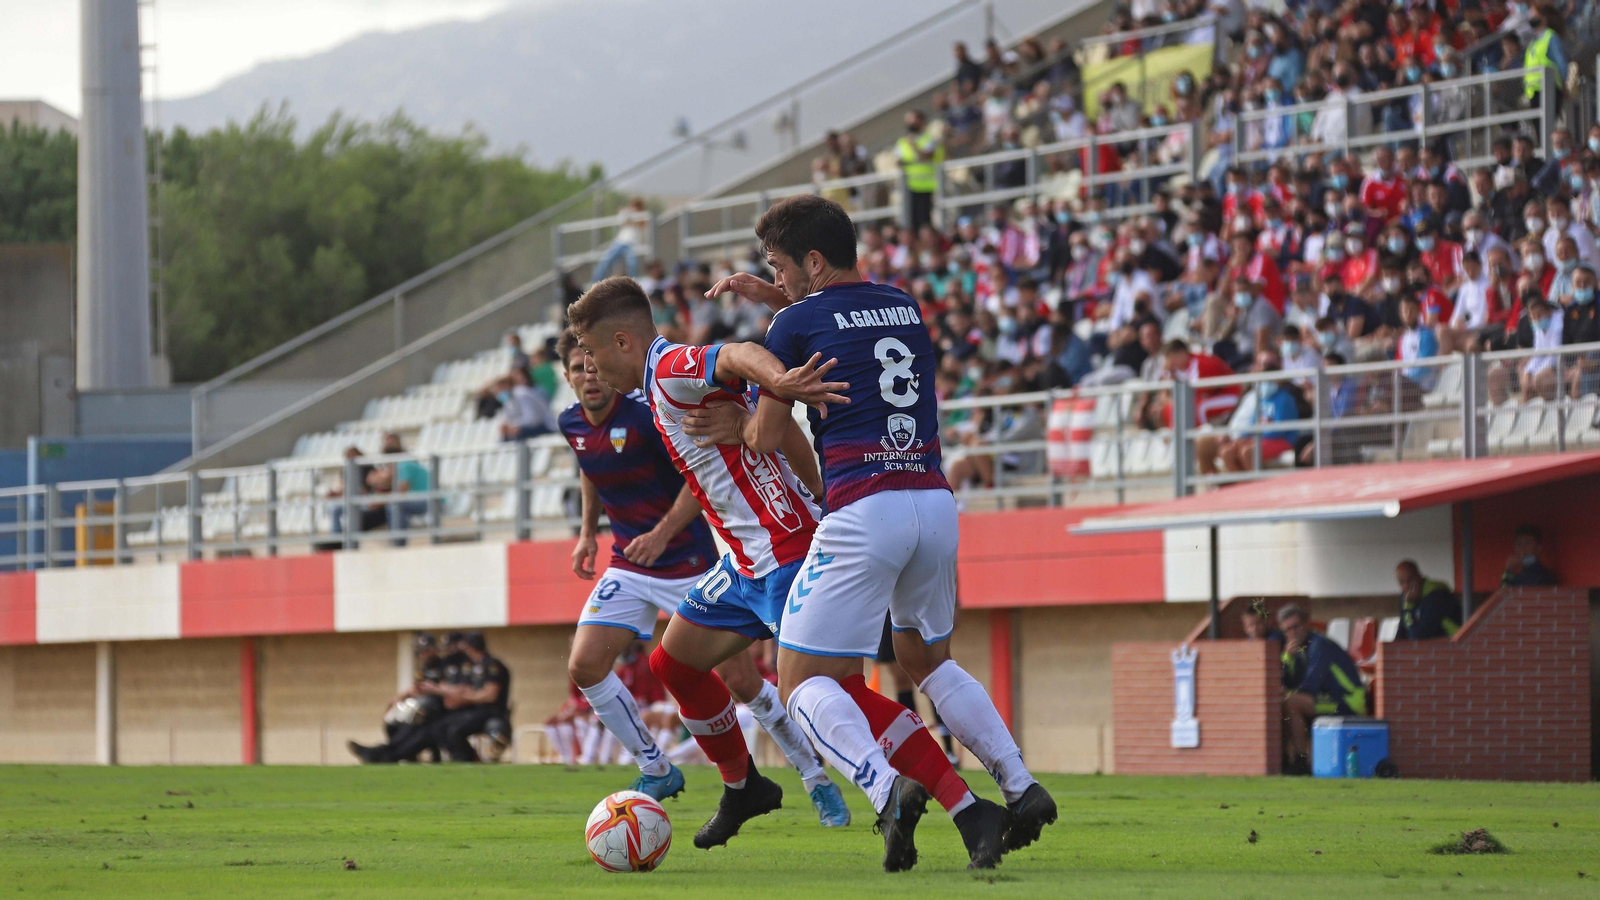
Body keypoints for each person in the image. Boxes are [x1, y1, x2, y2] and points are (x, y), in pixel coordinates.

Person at [693, 195, 1052, 869]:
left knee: (799, 681)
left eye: (779, 265)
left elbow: (768, 435)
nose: (780, 279)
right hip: (933, 500)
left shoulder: (795, 321)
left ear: (813, 261)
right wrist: (774, 295)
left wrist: (732, 427)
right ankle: (1020, 784)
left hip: (863, 507)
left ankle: (885, 789)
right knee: (927, 662)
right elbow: (835, 316)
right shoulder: (903, 301)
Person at [566, 277, 871, 854]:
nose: (588, 364)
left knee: (828, 687)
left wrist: (778, 382)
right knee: (673, 664)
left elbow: (736, 355)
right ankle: (743, 786)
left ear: (624, 342)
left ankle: (901, 783)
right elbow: (770, 427)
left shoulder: (672, 366)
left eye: (592, 350)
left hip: (782, 551)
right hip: (740, 561)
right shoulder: (642, 396)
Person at [349, 631, 510, 763]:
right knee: (413, 726)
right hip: (458, 711)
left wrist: (454, 694)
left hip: (484, 712)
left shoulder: (485, 665)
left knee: (442, 729)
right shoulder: (466, 665)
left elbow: (487, 694)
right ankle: (383, 753)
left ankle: (464, 759)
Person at [1278, 604, 1367, 774]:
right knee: (1282, 702)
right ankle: (1286, 758)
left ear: (1306, 623)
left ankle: (1301, 762)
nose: (1293, 633)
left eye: (1296, 626)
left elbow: (1311, 685)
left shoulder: (1320, 645)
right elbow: (1288, 681)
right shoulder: (1297, 650)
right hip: (1327, 698)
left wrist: (1288, 693)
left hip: (1347, 700)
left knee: (1291, 703)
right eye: (1288, 630)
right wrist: (1287, 658)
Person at [363, 431, 430, 546]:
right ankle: (396, 542)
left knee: (395, 506)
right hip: (423, 499)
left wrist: (378, 502)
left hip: (428, 501)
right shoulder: (405, 463)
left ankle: (398, 544)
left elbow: (400, 493)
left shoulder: (403, 464)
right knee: (390, 506)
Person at [897, 110, 943, 233]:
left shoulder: (929, 139)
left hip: (928, 185)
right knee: (912, 220)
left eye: (913, 120)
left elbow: (927, 156)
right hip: (910, 185)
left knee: (926, 219)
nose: (910, 123)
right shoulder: (902, 141)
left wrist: (914, 147)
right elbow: (898, 161)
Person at [1394, 559, 1462, 640]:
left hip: (1454, 645)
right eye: (1401, 582)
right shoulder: (1406, 597)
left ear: (1419, 577)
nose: (1406, 586)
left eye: (1409, 581)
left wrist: (1408, 607)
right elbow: (1402, 631)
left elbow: (1418, 637)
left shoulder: (1437, 596)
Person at [593, 197, 650, 281]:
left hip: (632, 245)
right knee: (606, 261)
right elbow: (622, 220)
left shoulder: (643, 216)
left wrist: (634, 217)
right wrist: (629, 214)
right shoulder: (628, 214)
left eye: (637, 206)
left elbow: (642, 224)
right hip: (620, 242)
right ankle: (595, 283)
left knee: (632, 265)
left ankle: (634, 284)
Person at [498, 367, 556, 441]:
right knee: (505, 437)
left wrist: (515, 426)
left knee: (518, 434)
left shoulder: (522, 394)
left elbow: (533, 419)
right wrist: (508, 427)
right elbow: (511, 418)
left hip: (545, 426)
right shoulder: (508, 400)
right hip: (533, 426)